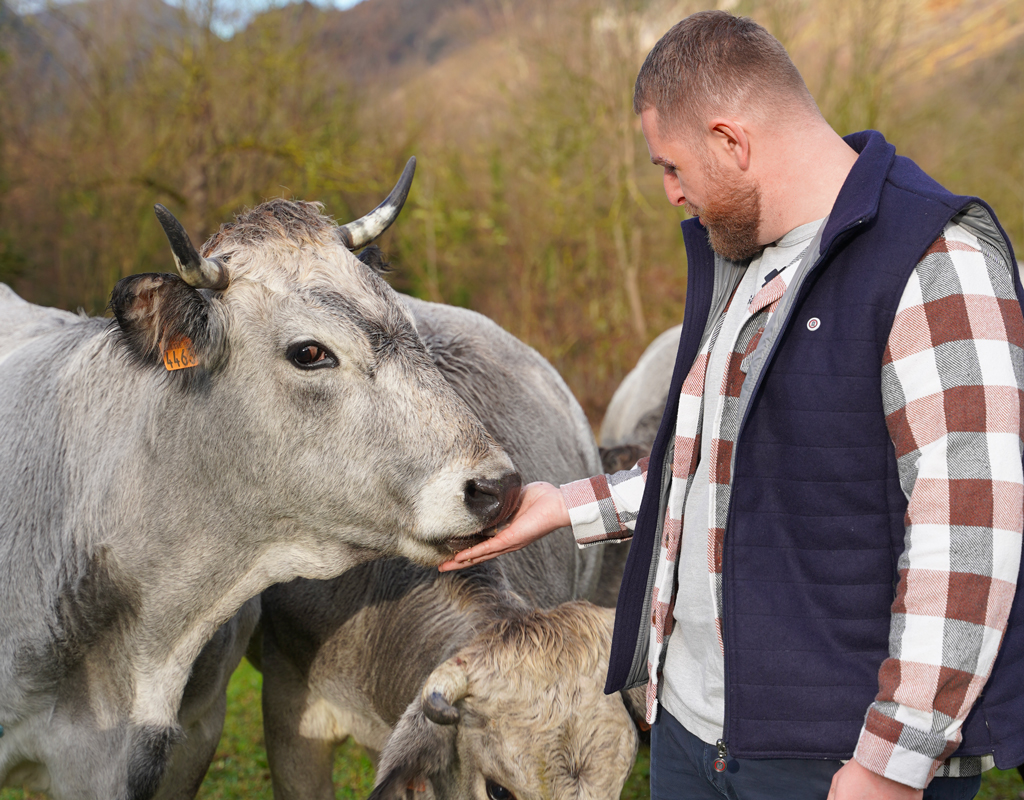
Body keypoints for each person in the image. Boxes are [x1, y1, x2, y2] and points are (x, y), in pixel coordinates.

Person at [440, 10, 1024, 800]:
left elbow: (971, 532)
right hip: (691, 737)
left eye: (671, 166)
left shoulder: (936, 261)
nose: (671, 192)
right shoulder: (746, 264)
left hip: (835, 759)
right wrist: (568, 505)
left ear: (731, 141)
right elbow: (721, 465)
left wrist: (893, 761)